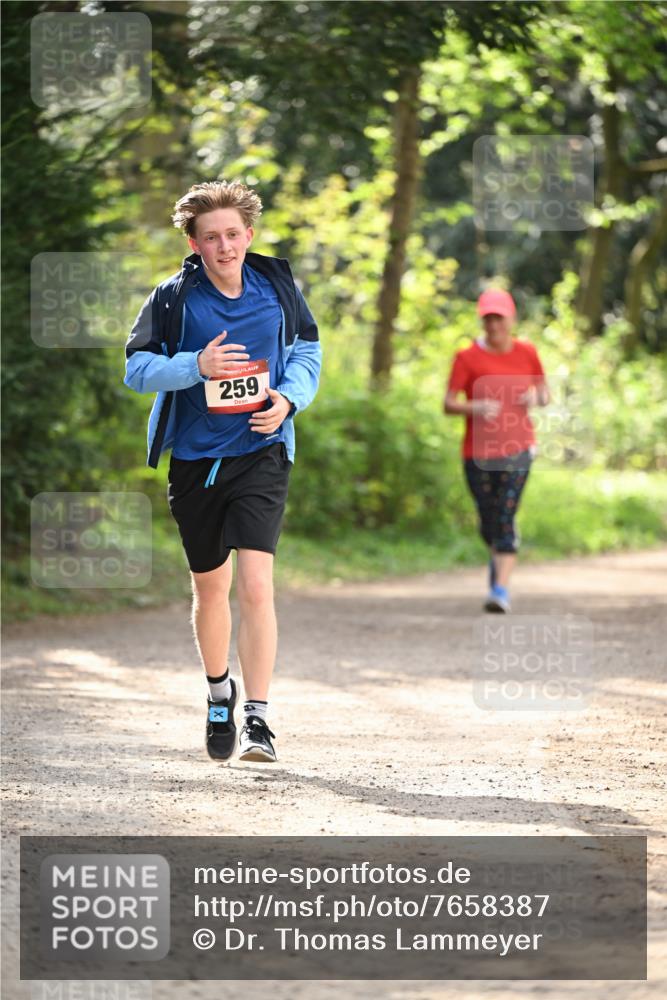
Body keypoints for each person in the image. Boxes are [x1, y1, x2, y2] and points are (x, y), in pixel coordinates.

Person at [124, 180, 321, 762]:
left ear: (249, 235)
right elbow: (136, 369)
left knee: (257, 585)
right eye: (212, 237)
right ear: (194, 243)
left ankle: (259, 718)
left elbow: (308, 349)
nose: (225, 246)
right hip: (195, 461)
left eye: (233, 234)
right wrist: (195, 365)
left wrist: (288, 398)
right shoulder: (173, 299)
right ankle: (219, 695)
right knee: (211, 590)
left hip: (262, 453)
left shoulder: (277, 287)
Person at [444, 289, 549, 612]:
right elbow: (449, 403)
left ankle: (500, 589)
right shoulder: (467, 357)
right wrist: (475, 407)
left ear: (511, 319)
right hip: (478, 453)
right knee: (489, 520)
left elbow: (544, 391)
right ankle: (501, 550)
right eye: (487, 318)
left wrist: (535, 397)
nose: (493, 325)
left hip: (519, 447)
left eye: (499, 318)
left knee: (504, 516)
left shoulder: (527, 352)